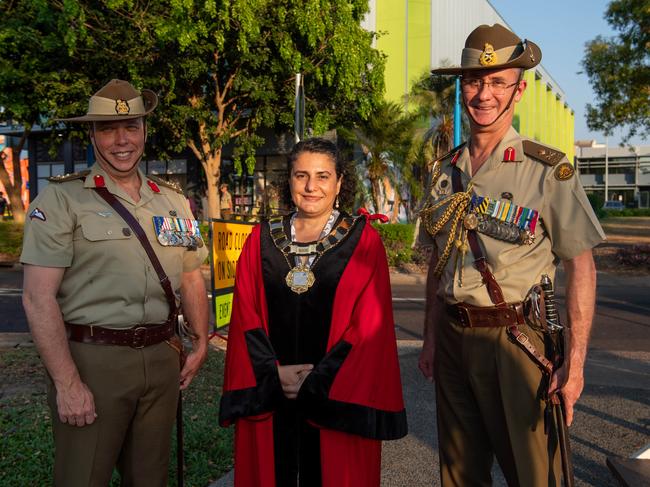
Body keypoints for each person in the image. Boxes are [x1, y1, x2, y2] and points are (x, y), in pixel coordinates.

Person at [417, 24, 606, 486]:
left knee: (535, 475)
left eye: (498, 82)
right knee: (459, 474)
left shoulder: (547, 168)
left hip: (517, 342)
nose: (484, 94)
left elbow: (582, 265)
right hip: (453, 340)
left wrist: (575, 365)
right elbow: (436, 266)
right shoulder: (444, 172)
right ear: (463, 86)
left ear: (518, 91)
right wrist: (430, 338)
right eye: (475, 81)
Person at [21, 79, 209, 487]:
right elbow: (38, 298)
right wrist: (68, 382)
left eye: (131, 127)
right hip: (94, 361)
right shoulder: (61, 200)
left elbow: (192, 274)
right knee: (83, 477)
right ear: (92, 134)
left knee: (150, 478)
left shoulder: (172, 201)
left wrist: (202, 339)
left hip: (161, 359)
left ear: (144, 130)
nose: (121, 140)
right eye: (107, 128)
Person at [219, 137, 407, 486]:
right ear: (288, 180)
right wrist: (273, 373)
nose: (310, 186)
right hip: (272, 396)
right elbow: (245, 315)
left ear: (338, 184)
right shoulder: (260, 241)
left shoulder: (362, 242)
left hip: (336, 400)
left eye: (322, 176)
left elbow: (369, 327)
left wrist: (318, 380)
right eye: (300, 175)